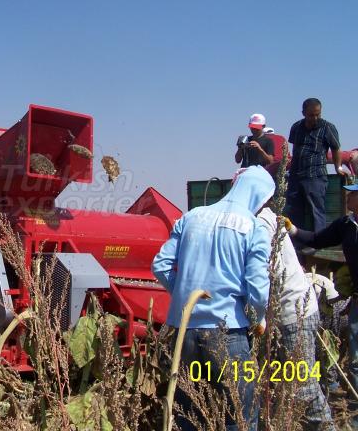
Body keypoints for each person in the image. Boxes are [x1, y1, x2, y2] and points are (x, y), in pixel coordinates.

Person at [152, 165, 274, 431]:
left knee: (189, 414)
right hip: (227, 334)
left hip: (184, 333)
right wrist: (260, 318)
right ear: (259, 196)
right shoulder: (253, 227)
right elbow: (257, 289)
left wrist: (185, 298)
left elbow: (160, 265)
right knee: (240, 415)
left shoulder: (192, 216)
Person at [257, 205, 336, 430]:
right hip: (286, 312)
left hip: (293, 312)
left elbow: (265, 274)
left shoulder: (262, 224)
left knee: (304, 386)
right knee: (284, 380)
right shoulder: (266, 219)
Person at [286, 183, 358, 422]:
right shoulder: (346, 225)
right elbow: (317, 239)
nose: (348, 196)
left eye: (353, 193)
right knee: (356, 361)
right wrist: (293, 229)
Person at [286, 98, 348, 233]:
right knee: (294, 211)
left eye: (318, 114)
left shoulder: (327, 127)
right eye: (311, 115)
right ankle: (297, 243)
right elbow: (294, 148)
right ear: (303, 113)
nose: (315, 118)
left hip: (315, 175)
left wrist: (338, 167)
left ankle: (318, 242)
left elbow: (336, 148)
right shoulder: (296, 127)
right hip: (296, 175)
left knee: (316, 211)